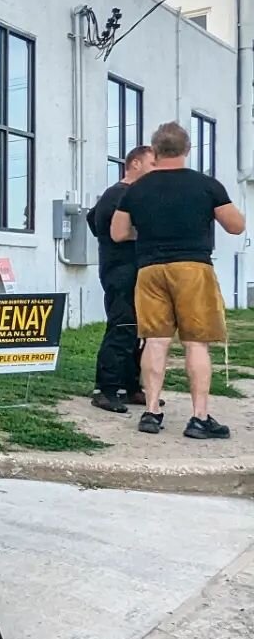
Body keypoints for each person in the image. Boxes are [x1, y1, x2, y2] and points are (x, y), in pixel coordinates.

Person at [112, 121, 246, 439]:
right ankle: (199, 418)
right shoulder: (206, 185)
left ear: (155, 152)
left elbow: (118, 233)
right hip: (193, 267)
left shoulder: (136, 189)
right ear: (187, 150)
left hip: (149, 270)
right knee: (195, 342)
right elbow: (236, 226)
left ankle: (152, 411)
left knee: (155, 341)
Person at [86, 145, 154, 413]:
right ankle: (106, 388)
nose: (155, 171)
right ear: (135, 164)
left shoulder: (133, 195)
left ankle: (132, 387)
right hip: (121, 272)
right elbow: (102, 224)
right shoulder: (116, 195)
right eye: (151, 164)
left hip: (137, 271)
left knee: (139, 331)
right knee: (122, 326)